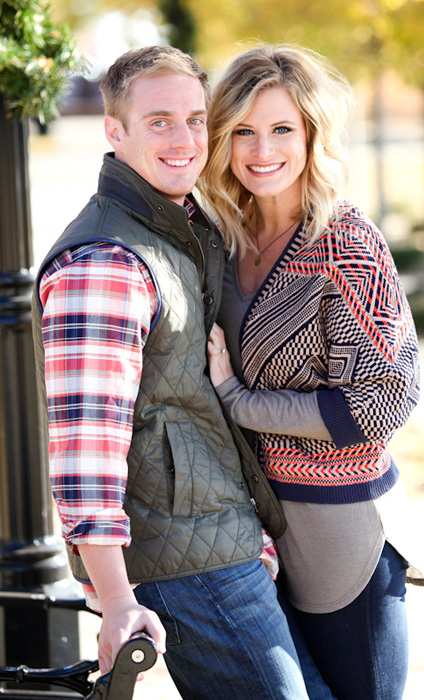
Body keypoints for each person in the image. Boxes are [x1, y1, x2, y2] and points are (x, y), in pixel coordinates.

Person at [31, 45, 331, 700]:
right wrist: (114, 599)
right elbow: (85, 447)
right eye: (159, 120)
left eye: (196, 119)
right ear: (115, 131)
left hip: (223, 536)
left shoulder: (181, 226)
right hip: (186, 558)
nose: (184, 138)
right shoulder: (105, 261)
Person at [201, 44, 424, 700]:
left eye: (281, 130)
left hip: (339, 535)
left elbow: (388, 398)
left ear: (312, 135)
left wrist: (238, 401)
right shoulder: (222, 235)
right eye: (242, 130)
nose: (260, 150)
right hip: (251, 533)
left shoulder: (346, 245)